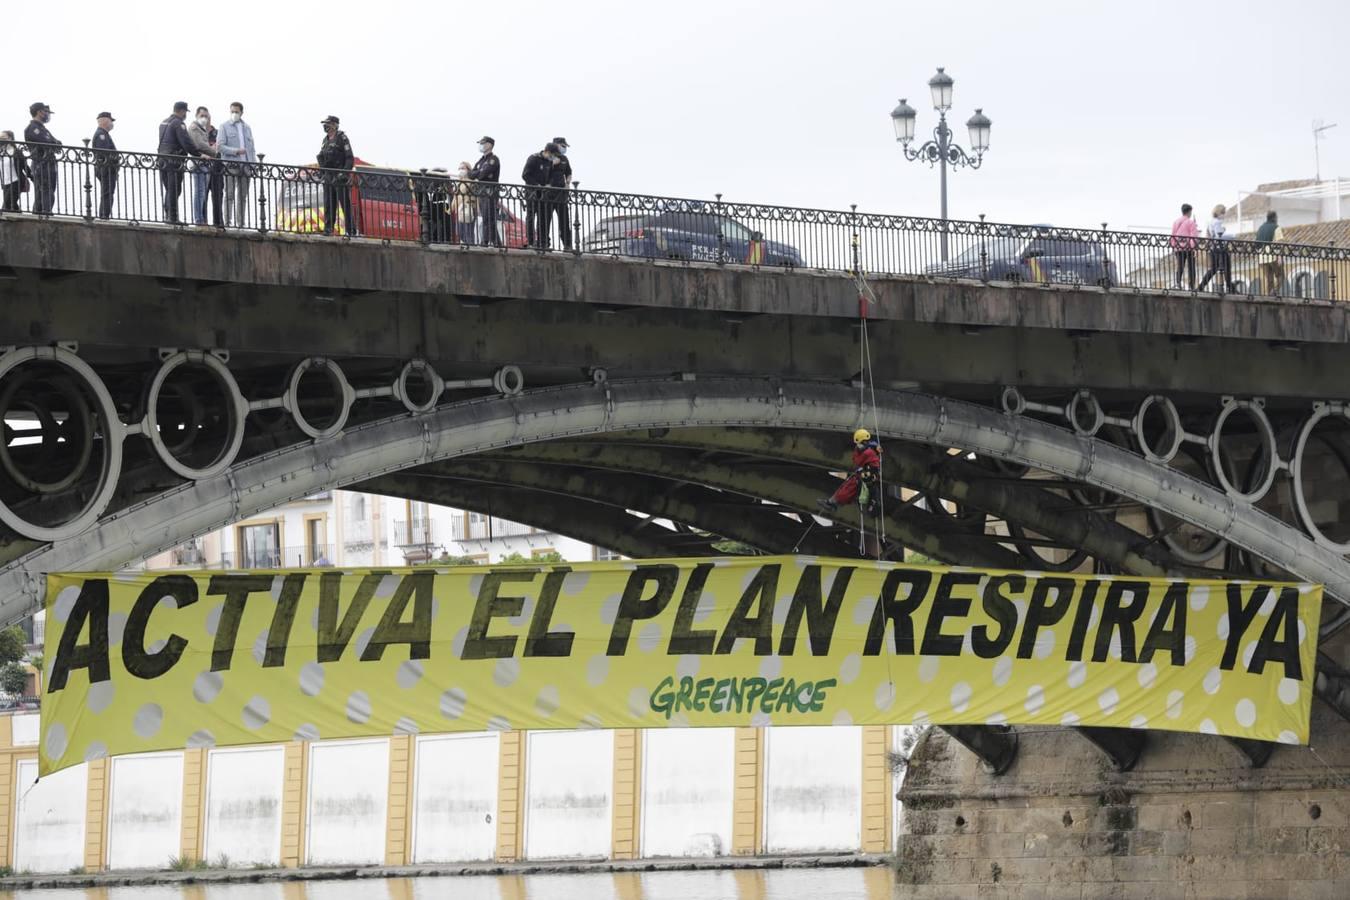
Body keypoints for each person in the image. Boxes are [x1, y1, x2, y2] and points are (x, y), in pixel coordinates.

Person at [817, 429, 882, 516]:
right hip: (867, 475)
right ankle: (831, 502)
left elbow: (857, 461)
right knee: (847, 487)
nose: (858, 445)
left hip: (866, 477)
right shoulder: (872, 448)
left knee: (849, 488)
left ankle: (833, 503)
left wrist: (857, 450)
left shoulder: (868, 452)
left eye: (859, 443)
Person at [157, 101, 203, 224]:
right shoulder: (179, 123)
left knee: (169, 189)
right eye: (185, 112)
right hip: (173, 160)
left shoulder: (164, 122)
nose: (185, 115)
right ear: (182, 111)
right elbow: (186, 143)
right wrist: (199, 155)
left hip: (161, 159)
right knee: (174, 189)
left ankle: (168, 216)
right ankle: (172, 217)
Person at [217, 102, 256, 229]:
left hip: (246, 166)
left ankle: (241, 223)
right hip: (231, 165)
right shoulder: (224, 127)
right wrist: (236, 151)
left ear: (241, 113)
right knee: (229, 194)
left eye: (236, 112)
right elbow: (220, 146)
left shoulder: (247, 128)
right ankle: (227, 221)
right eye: (232, 111)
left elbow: (252, 149)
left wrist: (253, 165)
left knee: (242, 196)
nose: (234, 114)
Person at [317, 115, 355, 236]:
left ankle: (351, 230)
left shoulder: (342, 138)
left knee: (345, 205)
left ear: (334, 125)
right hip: (328, 176)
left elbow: (349, 158)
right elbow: (322, 156)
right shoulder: (325, 140)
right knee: (329, 204)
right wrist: (322, 172)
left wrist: (344, 173)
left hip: (339, 176)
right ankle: (328, 229)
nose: (325, 126)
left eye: (327, 124)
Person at [187, 107, 222, 226]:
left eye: (206, 116)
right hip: (198, 163)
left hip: (205, 164)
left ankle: (201, 218)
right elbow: (199, 144)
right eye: (202, 115)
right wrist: (214, 152)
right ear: (197, 115)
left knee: (202, 193)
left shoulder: (202, 129)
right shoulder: (194, 127)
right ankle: (198, 219)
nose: (204, 118)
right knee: (199, 192)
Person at [24, 102, 59, 216]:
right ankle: (45, 214)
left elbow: (57, 143)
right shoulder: (32, 128)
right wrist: (53, 143)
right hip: (41, 164)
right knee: (45, 190)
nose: (48, 115)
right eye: (46, 112)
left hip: (49, 163)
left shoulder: (43, 129)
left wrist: (54, 143)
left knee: (47, 190)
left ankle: (40, 214)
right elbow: (47, 143)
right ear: (39, 112)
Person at [521, 142, 557, 249]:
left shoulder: (549, 162)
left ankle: (542, 242)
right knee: (531, 216)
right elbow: (525, 175)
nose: (553, 157)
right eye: (552, 155)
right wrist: (537, 185)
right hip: (532, 192)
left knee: (543, 218)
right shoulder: (533, 158)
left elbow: (551, 176)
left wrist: (549, 184)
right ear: (546, 151)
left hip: (543, 194)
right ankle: (531, 241)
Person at [1197, 204, 1235, 294]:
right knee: (1226, 267)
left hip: (1213, 248)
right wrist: (1232, 236)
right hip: (1220, 248)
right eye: (1223, 213)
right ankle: (1229, 288)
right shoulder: (1217, 222)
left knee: (1213, 269)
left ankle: (1201, 286)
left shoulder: (1211, 222)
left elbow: (1214, 234)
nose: (1224, 215)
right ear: (1219, 213)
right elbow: (1219, 236)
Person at [470, 136, 500, 246]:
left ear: (489, 145)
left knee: (488, 218)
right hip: (482, 192)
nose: (481, 145)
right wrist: (478, 173)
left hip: (490, 192)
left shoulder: (493, 159)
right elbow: (472, 174)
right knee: (487, 218)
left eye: (483, 143)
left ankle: (485, 242)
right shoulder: (481, 160)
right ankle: (498, 243)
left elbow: (483, 174)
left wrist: (478, 173)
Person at [91, 112, 118, 219]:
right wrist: (114, 161)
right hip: (106, 169)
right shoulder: (101, 135)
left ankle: (104, 215)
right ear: (105, 120)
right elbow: (104, 153)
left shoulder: (104, 134)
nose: (112, 123)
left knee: (108, 193)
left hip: (107, 169)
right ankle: (104, 216)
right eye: (111, 120)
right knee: (107, 194)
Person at [548, 137, 573, 251]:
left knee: (564, 220)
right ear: (556, 145)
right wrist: (552, 163)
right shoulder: (548, 156)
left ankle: (567, 244)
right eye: (562, 146)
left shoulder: (564, 159)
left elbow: (569, 172)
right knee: (545, 219)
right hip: (548, 193)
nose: (564, 148)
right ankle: (544, 243)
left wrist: (568, 182)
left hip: (561, 193)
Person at [1169, 203, 1198, 290]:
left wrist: (1174, 247)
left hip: (1178, 248)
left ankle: (1178, 283)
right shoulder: (1191, 222)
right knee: (1191, 267)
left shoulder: (1176, 222)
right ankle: (1191, 286)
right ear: (1189, 212)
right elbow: (1193, 237)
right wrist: (1194, 249)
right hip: (1188, 248)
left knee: (1180, 267)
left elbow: (1173, 235)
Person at [1257, 211, 1286, 295]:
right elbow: (1279, 243)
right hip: (1273, 255)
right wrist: (1279, 257)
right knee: (1280, 275)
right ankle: (1275, 291)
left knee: (1269, 278)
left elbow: (1257, 243)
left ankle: (1269, 295)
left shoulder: (1261, 228)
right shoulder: (1276, 227)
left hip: (1262, 256)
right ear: (1275, 218)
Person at [0, 131, 30, 212]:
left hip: (16, 181)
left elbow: (25, 166)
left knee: (5, 206)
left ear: (10, 138)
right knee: (11, 204)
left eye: (3, 136)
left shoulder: (16, 152)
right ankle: (19, 214)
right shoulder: (1, 152)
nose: (1, 138)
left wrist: (33, 177)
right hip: (5, 183)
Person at [453, 161, 477, 245]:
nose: (460, 170)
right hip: (460, 209)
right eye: (459, 168)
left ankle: (471, 247)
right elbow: (456, 197)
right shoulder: (459, 182)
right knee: (460, 232)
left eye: (463, 168)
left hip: (468, 209)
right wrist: (451, 208)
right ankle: (465, 245)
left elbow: (474, 197)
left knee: (468, 231)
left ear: (468, 170)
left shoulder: (471, 182)